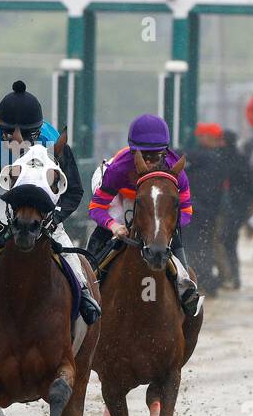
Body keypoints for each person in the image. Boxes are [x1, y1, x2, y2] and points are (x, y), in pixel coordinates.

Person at [0, 80, 100, 327]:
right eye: (8, 133)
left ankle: (83, 292)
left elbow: (73, 190)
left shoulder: (53, 141)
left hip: (39, 188)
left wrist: (56, 219)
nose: (17, 140)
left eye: (26, 135)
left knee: (60, 237)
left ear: (38, 131)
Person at [85, 113, 202, 317]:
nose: (149, 162)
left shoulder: (178, 173)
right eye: (143, 156)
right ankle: (87, 285)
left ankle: (186, 288)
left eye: (155, 156)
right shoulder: (119, 169)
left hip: (153, 197)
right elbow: (96, 207)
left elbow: (186, 211)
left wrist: (168, 228)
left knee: (166, 232)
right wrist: (113, 226)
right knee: (113, 231)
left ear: (165, 152)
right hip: (120, 196)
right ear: (133, 151)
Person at [182, 123, 226, 295]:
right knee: (204, 245)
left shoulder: (204, 156)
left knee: (195, 246)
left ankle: (203, 280)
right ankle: (208, 281)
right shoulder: (218, 157)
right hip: (209, 211)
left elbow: (181, 156)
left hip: (197, 210)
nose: (199, 138)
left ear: (209, 138)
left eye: (202, 135)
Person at [216, 128, 253, 289]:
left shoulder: (220, 159)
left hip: (224, 209)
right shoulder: (242, 159)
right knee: (230, 242)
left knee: (223, 241)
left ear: (224, 142)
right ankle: (234, 277)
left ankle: (226, 277)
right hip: (240, 209)